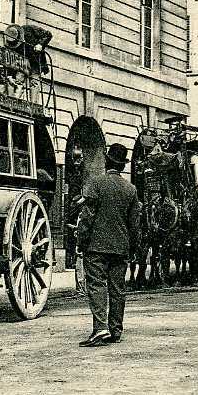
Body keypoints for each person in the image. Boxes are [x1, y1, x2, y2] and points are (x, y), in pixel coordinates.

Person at [75, 143, 141, 347]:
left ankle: (100, 328)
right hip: (120, 248)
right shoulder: (130, 189)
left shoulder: (95, 184)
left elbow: (87, 218)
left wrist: (81, 242)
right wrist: (133, 248)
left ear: (107, 161)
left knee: (96, 285)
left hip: (96, 247)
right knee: (117, 289)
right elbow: (135, 224)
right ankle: (116, 330)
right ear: (122, 166)